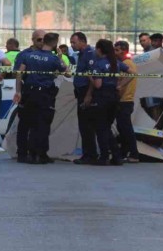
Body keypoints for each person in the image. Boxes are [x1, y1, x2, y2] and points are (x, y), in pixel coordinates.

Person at [13, 33, 68, 164]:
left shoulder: (28, 55)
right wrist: (60, 57)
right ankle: (38, 154)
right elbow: (68, 73)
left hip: (28, 92)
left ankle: (26, 154)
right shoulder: (54, 59)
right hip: (45, 94)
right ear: (54, 43)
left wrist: (18, 91)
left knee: (26, 123)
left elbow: (19, 74)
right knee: (42, 124)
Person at [82, 39, 131, 166]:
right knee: (107, 128)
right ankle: (116, 156)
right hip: (114, 97)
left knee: (101, 128)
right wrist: (120, 85)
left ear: (99, 50)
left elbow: (98, 85)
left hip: (101, 97)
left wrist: (90, 77)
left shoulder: (98, 64)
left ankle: (104, 157)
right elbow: (132, 73)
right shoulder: (116, 62)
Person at [13, 29, 46, 163]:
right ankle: (22, 152)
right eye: (39, 39)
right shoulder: (24, 55)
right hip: (27, 92)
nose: (42, 42)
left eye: (44, 39)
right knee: (24, 124)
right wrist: (18, 91)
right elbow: (18, 74)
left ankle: (38, 153)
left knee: (40, 124)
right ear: (33, 40)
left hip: (43, 93)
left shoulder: (48, 54)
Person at [71, 32, 99, 165]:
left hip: (86, 93)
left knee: (87, 126)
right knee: (83, 125)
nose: (72, 45)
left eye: (74, 42)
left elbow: (92, 77)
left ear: (82, 41)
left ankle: (90, 154)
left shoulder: (90, 54)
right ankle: (87, 153)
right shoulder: (81, 54)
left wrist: (89, 94)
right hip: (80, 92)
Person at [114, 40, 139, 163]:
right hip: (124, 100)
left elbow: (128, 77)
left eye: (117, 50)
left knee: (126, 129)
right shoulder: (126, 63)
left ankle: (134, 154)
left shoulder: (127, 64)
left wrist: (119, 87)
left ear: (124, 51)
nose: (115, 53)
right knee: (122, 128)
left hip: (125, 100)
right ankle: (124, 152)